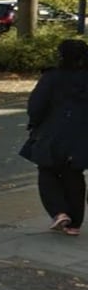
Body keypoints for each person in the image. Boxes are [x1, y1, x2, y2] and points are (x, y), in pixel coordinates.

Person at [22, 39, 88, 236]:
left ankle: (59, 212)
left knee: (47, 171)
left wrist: (35, 123)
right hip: (82, 134)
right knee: (74, 174)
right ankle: (75, 224)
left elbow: (36, 106)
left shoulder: (52, 77)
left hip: (53, 132)